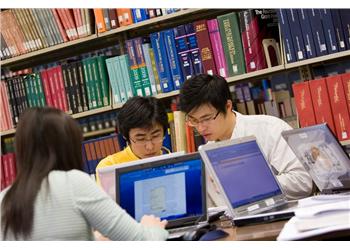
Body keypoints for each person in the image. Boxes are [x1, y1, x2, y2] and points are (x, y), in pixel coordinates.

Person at [0, 107, 168, 240]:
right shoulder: (74, 183)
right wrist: (152, 228)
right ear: (69, 145)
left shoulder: (4, 198)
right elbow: (143, 241)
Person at [179, 74, 312, 206]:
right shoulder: (207, 151)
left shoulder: (269, 129)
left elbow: (303, 181)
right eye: (194, 120)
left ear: (228, 106)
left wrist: (251, 185)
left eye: (206, 118)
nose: (200, 128)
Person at [95, 96, 170, 185]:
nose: (150, 147)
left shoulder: (172, 159)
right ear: (126, 136)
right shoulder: (110, 167)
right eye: (141, 139)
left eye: (156, 136)